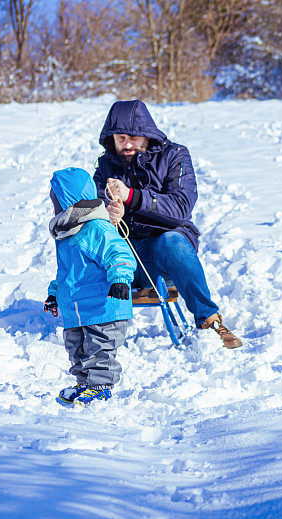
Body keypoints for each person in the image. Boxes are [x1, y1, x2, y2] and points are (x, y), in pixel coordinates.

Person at [93, 100, 242, 349]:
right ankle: (78, 315)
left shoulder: (174, 156)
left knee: (173, 240)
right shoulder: (107, 164)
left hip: (159, 256)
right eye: (120, 138)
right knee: (81, 238)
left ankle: (208, 318)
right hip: (121, 256)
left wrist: (132, 197)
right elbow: (94, 202)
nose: (127, 145)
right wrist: (108, 212)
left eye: (133, 137)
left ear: (147, 134)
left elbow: (181, 206)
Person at [43, 167, 137, 406]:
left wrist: (119, 280)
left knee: (99, 347)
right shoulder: (68, 233)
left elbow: (120, 254)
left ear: (69, 200)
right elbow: (66, 273)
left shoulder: (96, 228)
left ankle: (100, 386)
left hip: (103, 305)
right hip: (77, 307)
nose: (54, 204)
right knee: (76, 347)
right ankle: (84, 384)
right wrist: (54, 294)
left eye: (57, 199)